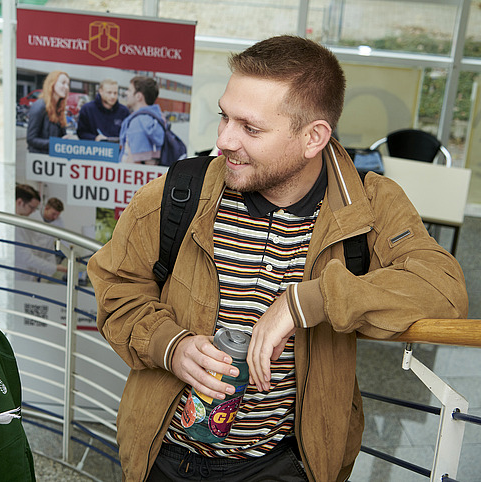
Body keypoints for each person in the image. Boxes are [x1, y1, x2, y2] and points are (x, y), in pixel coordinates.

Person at [87, 36, 467, 482]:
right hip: (166, 457)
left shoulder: (371, 204)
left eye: (250, 128)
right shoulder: (177, 192)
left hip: (286, 464)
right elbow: (115, 291)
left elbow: (444, 290)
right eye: (224, 117)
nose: (225, 140)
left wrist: (305, 302)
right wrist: (170, 346)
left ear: (313, 137)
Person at [14, 184, 66, 281]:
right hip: (22, 270)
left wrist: (52, 267)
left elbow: (50, 247)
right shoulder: (27, 219)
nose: (33, 211)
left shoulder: (22, 218)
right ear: (20, 202)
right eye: (32, 207)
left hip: (36, 267)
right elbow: (26, 256)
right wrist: (55, 268)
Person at [26, 70, 78, 154]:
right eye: (63, 83)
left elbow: (59, 137)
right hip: (40, 160)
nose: (66, 87)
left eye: (68, 84)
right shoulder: (39, 106)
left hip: (52, 160)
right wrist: (57, 143)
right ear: (52, 84)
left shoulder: (58, 108)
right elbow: (31, 139)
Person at [119, 76, 165, 164]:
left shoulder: (137, 123)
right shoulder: (157, 118)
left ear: (138, 96)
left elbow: (135, 162)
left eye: (129, 90)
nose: (126, 93)